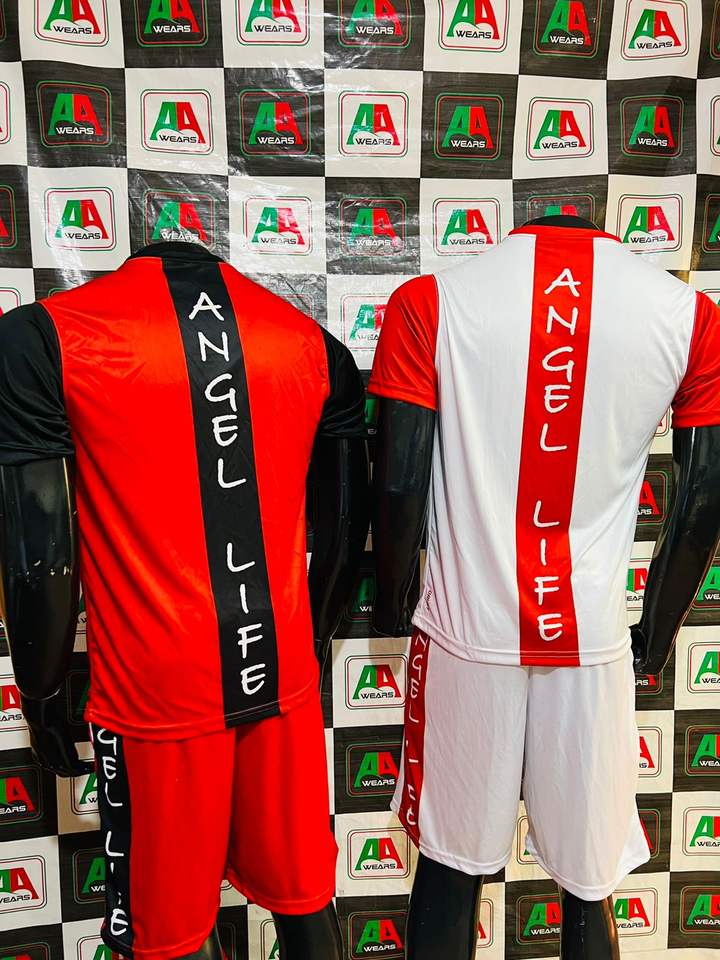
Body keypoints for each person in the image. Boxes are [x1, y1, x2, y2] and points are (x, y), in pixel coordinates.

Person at [0, 240, 370, 960]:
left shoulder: (45, 337)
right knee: (304, 898)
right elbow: (346, 525)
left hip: (157, 691)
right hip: (281, 674)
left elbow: (39, 550)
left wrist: (41, 692)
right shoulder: (311, 342)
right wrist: (316, 640)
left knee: (169, 932)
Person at [369, 214, 720, 959]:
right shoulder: (687, 317)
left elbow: (397, 482)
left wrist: (392, 596)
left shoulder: (432, 303)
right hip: (590, 643)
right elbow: (706, 495)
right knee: (588, 889)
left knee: (449, 872)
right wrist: (657, 631)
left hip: (467, 635)